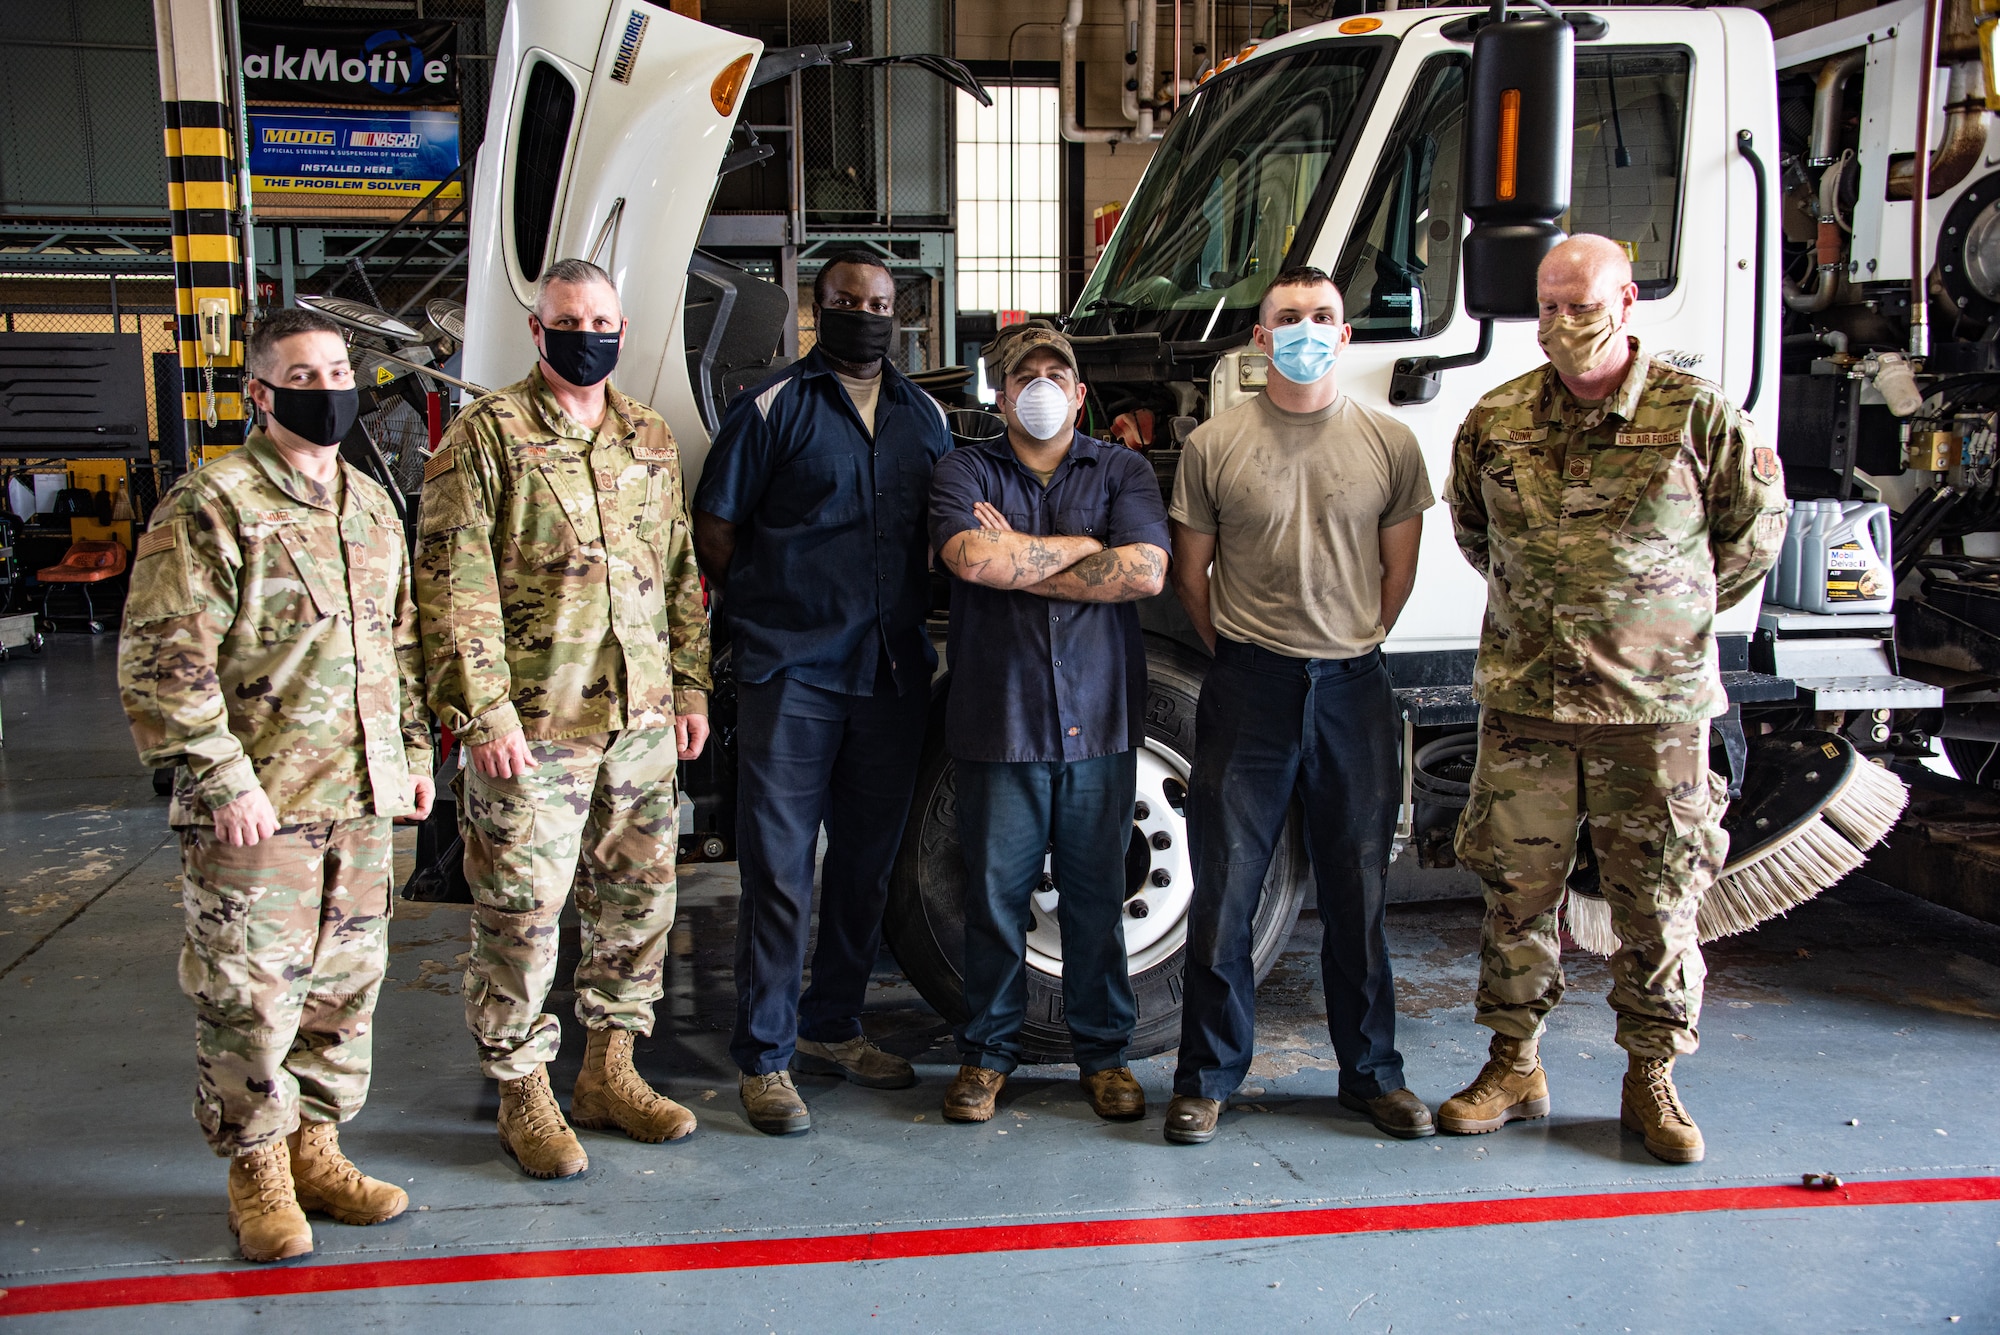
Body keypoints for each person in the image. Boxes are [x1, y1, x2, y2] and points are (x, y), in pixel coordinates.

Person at [1439, 234, 1786, 1163]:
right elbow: (1479, 535)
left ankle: (1651, 1079)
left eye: (1579, 305)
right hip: (1528, 706)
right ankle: (1513, 1063)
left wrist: (1653, 620)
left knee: (1659, 900)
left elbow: (1748, 544)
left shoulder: (1697, 415)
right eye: (1546, 306)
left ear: (1627, 302)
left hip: (1655, 714)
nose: (1559, 324)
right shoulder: (1499, 418)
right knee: (1516, 895)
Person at [119, 306, 434, 1262]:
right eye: (303, 377)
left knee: (345, 992)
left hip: (362, 800)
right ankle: (256, 1165)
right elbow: (165, 660)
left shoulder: (370, 506)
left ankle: (318, 1150)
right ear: (260, 393)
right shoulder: (211, 503)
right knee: (250, 995)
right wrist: (221, 777)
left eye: (339, 373)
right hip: (259, 810)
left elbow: (403, 645)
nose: (328, 390)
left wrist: (414, 757)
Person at [414, 258, 712, 1179]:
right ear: (539, 332)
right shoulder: (486, 437)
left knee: (638, 902)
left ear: (622, 329)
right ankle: (521, 1090)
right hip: (532, 727)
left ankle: (609, 1070)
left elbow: (677, 572)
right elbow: (451, 586)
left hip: (641, 718)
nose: (590, 335)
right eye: (569, 320)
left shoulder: (649, 436)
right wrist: (483, 712)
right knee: (521, 913)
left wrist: (691, 686)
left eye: (604, 320)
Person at [1164, 266, 1435, 1146]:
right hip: (1250, 686)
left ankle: (1372, 1075)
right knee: (1227, 890)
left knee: (1357, 891)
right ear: (1260, 336)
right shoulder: (1216, 445)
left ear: (1345, 334)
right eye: (1289, 316)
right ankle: (1206, 1078)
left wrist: (1350, 641)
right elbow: (1192, 576)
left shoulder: (1389, 443)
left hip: (1352, 688)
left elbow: (1399, 574)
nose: (1306, 327)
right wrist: (1246, 655)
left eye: (1322, 315)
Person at [692, 250, 952, 1135]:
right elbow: (715, 529)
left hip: (890, 674)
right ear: (819, 308)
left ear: (898, 312)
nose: (865, 315)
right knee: (778, 869)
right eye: (848, 301)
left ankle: (834, 1025)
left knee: (867, 866)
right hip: (792, 672)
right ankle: (765, 1058)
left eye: (880, 303)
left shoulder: (924, 417)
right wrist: (774, 607)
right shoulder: (769, 408)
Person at [928, 323, 1171, 1123]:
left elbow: (1143, 570)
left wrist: (1019, 563)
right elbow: (968, 559)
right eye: (1022, 374)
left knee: (1096, 897)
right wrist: (1081, 547)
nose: (1039, 385)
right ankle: (987, 1055)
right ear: (999, 395)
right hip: (1001, 726)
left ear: (1079, 391)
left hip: (1098, 723)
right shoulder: (963, 466)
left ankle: (1105, 1055)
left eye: (1054, 373)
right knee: (995, 899)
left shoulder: (1123, 467)